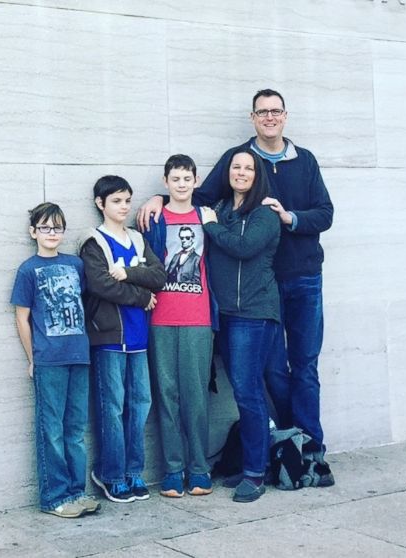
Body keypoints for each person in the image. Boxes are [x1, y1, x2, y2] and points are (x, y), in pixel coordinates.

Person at [138, 88, 335, 486]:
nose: (269, 117)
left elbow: (324, 214)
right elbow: (201, 196)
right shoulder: (236, 158)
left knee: (305, 367)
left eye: (275, 111)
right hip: (260, 286)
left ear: (285, 115)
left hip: (303, 276)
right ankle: (285, 449)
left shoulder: (305, 160)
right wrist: (162, 197)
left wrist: (289, 217)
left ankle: (312, 451)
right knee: (274, 373)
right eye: (262, 112)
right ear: (252, 117)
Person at [80, 176, 167, 503]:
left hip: (139, 338)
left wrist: (129, 273)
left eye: (127, 201)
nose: (124, 207)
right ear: (101, 204)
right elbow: (100, 284)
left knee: (140, 404)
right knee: (112, 407)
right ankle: (110, 474)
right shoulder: (93, 242)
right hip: (109, 338)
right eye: (116, 201)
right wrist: (141, 298)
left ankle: (134, 473)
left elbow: (159, 276)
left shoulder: (137, 239)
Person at [11, 202, 101, 518]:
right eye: (46, 227)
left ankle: (76, 493)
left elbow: (88, 302)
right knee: (52, 428)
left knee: (75, 429)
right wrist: (32, 357)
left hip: (79, 355)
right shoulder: (27, 270)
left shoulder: (75, 265)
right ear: (33, 231)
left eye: (58, 228)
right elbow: (22, 318)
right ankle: (54, 497)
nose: (52, 233)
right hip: (49, 359)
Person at [201, 148, 281, 502]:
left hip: (254, 312)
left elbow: (244, 247)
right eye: (236, 166)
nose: (242, 172)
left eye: (249, 168)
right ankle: (250, 463)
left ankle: (255, 473)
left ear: (257, 174)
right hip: (226, 315)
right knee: (241, 390)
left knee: (248, 391)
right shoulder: (219, 208)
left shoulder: (264, 213)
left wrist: (211, 227)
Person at [142, 154, 216, 498]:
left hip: (198, 319)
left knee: (196, 397)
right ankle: (173, 470)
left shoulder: (207, 217)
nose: (182, 184)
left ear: (196, 182)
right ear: (165, 181)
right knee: (166, 396)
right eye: (176, 178)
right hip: (160, 318)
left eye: (188, 178)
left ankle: (199, 469)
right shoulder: (155, 218)